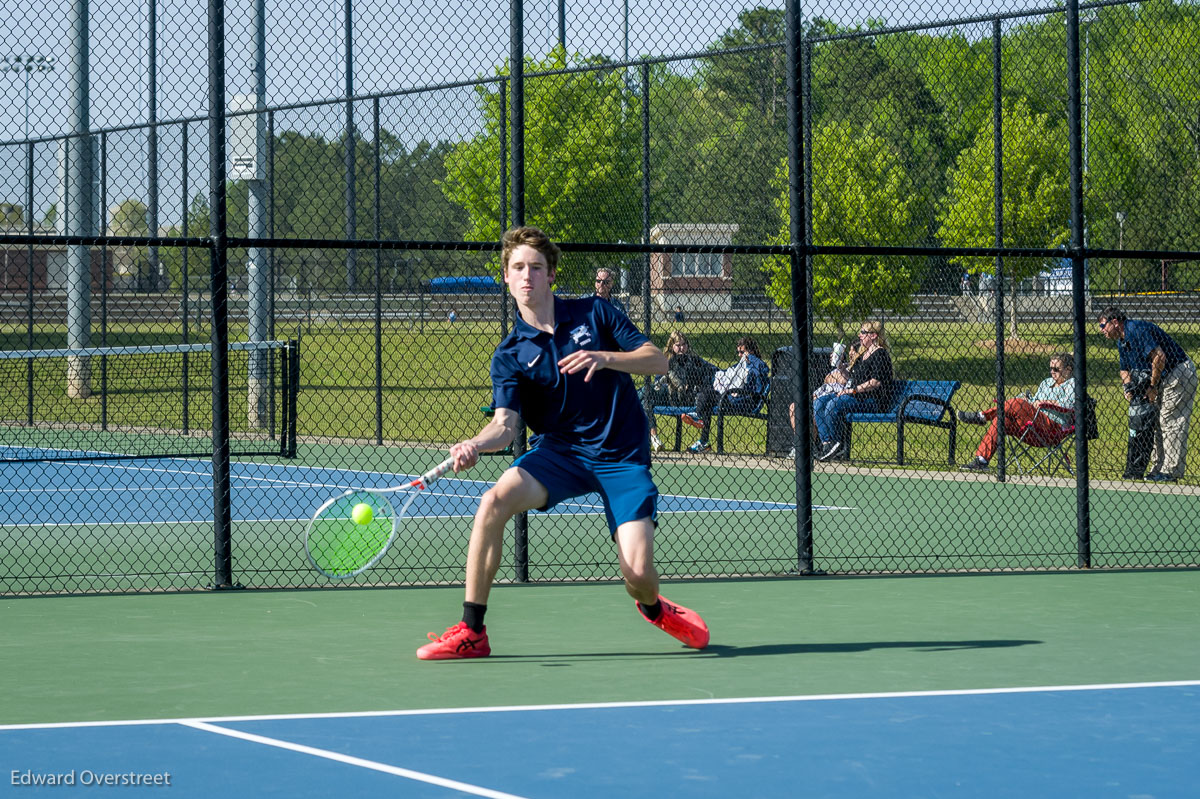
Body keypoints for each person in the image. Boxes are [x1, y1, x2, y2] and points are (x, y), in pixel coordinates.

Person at [416, 226, 709, 660]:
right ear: (507, 278)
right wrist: (475, 443)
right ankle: (472, 631)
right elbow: (505, 426)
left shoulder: (596, 313)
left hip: (621, 456)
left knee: (639, 573)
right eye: (518, 268)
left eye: (536, 267)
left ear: (551, 273)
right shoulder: (510, 354)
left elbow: (658, 360)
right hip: (561, 454)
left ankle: (652, 606)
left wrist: (606, 357)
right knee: (493, 501)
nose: (527, 276)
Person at [1098, 306, 1197, 482]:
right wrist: (1128, 387)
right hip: (1160, 378)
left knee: (1169, 420)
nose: (1102, 331)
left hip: (1178, 374)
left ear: (1115, 322)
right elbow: (1124, 369)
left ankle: (1171, 470)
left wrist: (1152, 386)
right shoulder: (1121, 341)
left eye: (1103, 326)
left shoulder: (1136, 329)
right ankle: (1158, 468)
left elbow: (1159, 357)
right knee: (1155, 422)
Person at [959, 353, 1077, 471]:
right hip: (1033, 427)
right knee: (1001, 420)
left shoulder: (1072, 384)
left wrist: (1046, 402)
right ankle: (981, 460)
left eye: (1056, 369)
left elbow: (1069, 405)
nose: (1052, 372)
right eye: (1050, 368)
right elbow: (1035, 402)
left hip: (1052, 428)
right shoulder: (1046, 383)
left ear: (1068, 370)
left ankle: (983, 416)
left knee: (1016, 403)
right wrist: (1028, 401)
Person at [813, 320, 894, 461]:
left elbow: (875, 382)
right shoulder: (863, 354)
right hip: (856, 397)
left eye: (863, 332)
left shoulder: (880, 354)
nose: (859, 335)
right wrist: (840, 366)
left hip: (872, 400)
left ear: (874, 335)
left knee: (833, 405)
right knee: (820, 402)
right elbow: (851, 378)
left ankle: (837, 444)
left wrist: (853, 391)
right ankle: (827, 444)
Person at [681, 336, 770, 453]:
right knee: (707, 395)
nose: (739, 355)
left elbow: (754, 387)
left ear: (751, 352)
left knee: (707, 395)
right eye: (738, 352)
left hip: (745, 401)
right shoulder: (741, 365)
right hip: (730, 397)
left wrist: (751, 362)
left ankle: (698, 418)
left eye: (742, 352)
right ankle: (703, 440)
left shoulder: (757, 365)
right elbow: (728, 375)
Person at [640, 331, 716, 452]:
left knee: (643, 393)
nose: (681, 348)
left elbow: (713, 369)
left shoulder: (694, 360)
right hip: (667, 396)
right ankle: (654, 436)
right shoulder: (665, 360)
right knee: (646, 398)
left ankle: (651, 437)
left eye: (683, 344)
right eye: (678, 345)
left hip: (686, 397)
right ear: (671, 346)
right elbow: (658, 383)